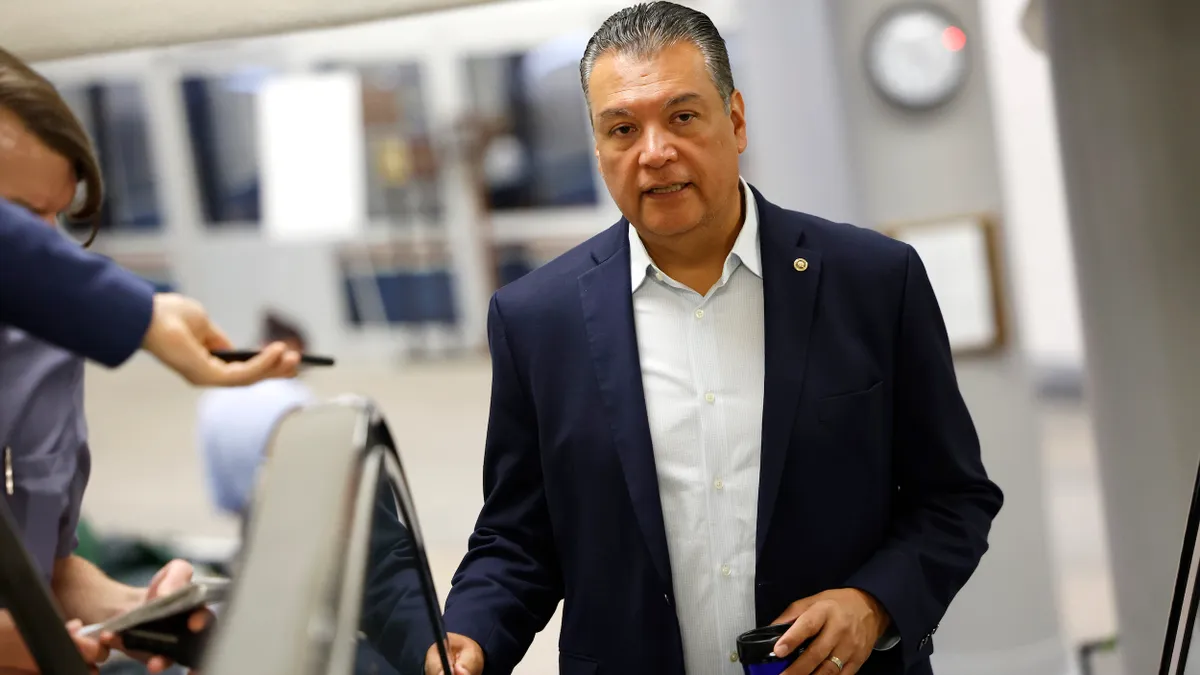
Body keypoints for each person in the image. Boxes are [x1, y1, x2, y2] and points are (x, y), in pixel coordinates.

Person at [423, 4, 1004, 675]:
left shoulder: (871, 282)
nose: (654, 151)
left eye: (682, 116)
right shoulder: (536, 321)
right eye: (622, 128)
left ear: (735, 120)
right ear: (598, 146)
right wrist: (470, 633)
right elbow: (518, 537)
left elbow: (954, 498)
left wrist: (872, 602)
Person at [0, 47, 210, 674]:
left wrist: (137, 609)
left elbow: (47, 570)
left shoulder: (46, 349)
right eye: (18, 222)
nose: (47, 253)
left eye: (56, 219)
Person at [196, 311, 316, 525]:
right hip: (292, 513)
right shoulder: (297, 397)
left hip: (246, 515)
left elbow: (219, 488)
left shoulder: (215, 397)